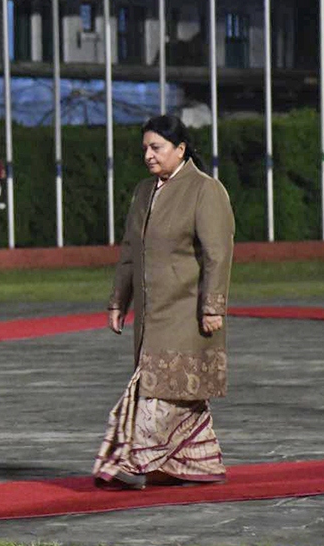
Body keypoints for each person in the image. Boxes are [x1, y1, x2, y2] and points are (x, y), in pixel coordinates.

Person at [94, 115, 234, 490]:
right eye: (145, 148)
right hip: (150, 313)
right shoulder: (144, 192)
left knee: (160, 388)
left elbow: (218, 254)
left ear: (180, 149)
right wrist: (117, 302)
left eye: (156, 148)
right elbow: (130, 251)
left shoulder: (205, 190)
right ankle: (194, 464)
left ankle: (134, 462)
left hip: (186, 312)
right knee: (174, 392)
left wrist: (213, 306)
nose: (148, 155)